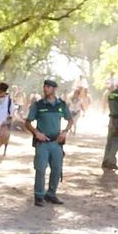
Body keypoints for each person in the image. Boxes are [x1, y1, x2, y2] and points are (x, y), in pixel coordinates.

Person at [25, 78, 73, 206]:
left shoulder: (61, 105)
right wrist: (36, 133)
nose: (45, 89)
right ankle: (39, 195)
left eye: (48, 87)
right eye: (44, 86)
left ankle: (51, 194)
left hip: (56, 143)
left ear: (54, 89)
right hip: (43, 143)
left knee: (57, 169)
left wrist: (64, 132)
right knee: (40, 169)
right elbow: (27, 122)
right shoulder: (38, 105)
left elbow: (70, 120)